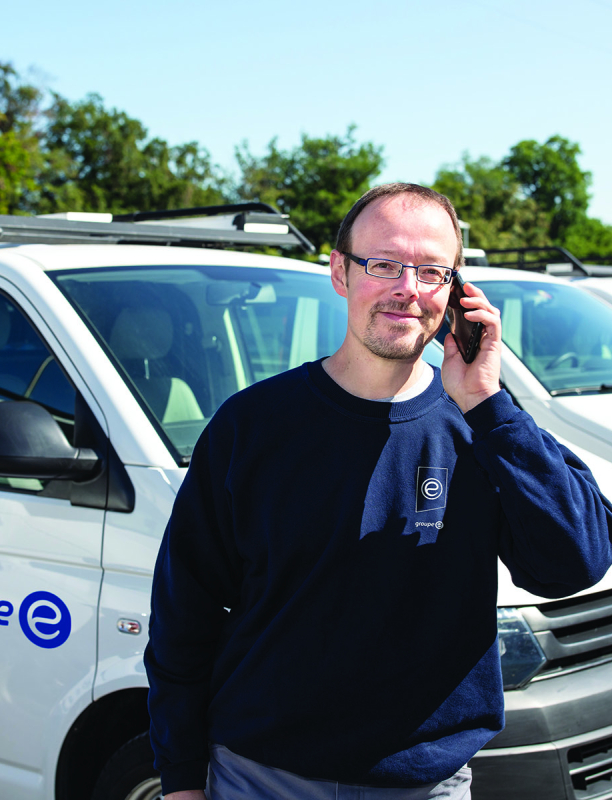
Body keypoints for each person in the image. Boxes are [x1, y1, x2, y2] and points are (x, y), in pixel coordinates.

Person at [144, 183, 612, 799]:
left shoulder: (482, 425)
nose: (407, 289)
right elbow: (185, 616)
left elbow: (574, 562)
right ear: (340, 271)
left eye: (430, 271)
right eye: (384, 264)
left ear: (456, 292)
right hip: (261, 777)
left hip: (427, 784)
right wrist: (180, 779)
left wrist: (488, 404)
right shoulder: (250, 427)